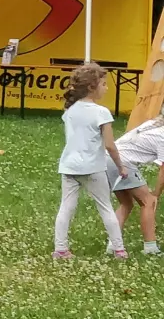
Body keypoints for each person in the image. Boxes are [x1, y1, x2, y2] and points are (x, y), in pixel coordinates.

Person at [54, 64, 131, 260]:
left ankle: (60, 249)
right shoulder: (101, 112)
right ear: (91, 87)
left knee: (66, 207)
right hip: (92, 168)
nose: (106, 88)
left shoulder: (70, 110)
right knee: (105, 206)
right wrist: (121, 166)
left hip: (69, 166)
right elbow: (110, 146)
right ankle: (119, 249)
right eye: (104, 84)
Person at [113, 116, 164, 255]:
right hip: (124, 163)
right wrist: (156, 194)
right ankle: (150, 247)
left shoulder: (153, 124)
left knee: (126, 203)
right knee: (148, 202)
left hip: (109, 159)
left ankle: (113, 245)